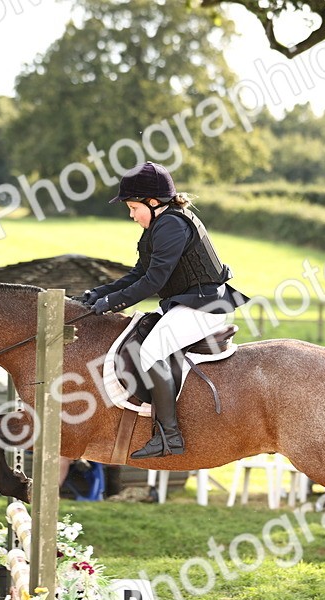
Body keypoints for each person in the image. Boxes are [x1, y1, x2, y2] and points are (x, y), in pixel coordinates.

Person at [83, 161, 249, 459]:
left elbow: (153, 281)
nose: (132, 215)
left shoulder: (172, 225)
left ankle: (169, 436)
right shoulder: (157, 225)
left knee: (150, 351)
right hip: (189, 303)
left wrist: (112, 304)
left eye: (134, 208)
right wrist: (100, 292)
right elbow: (137, 274)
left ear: (153, 202)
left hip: (205, 305)